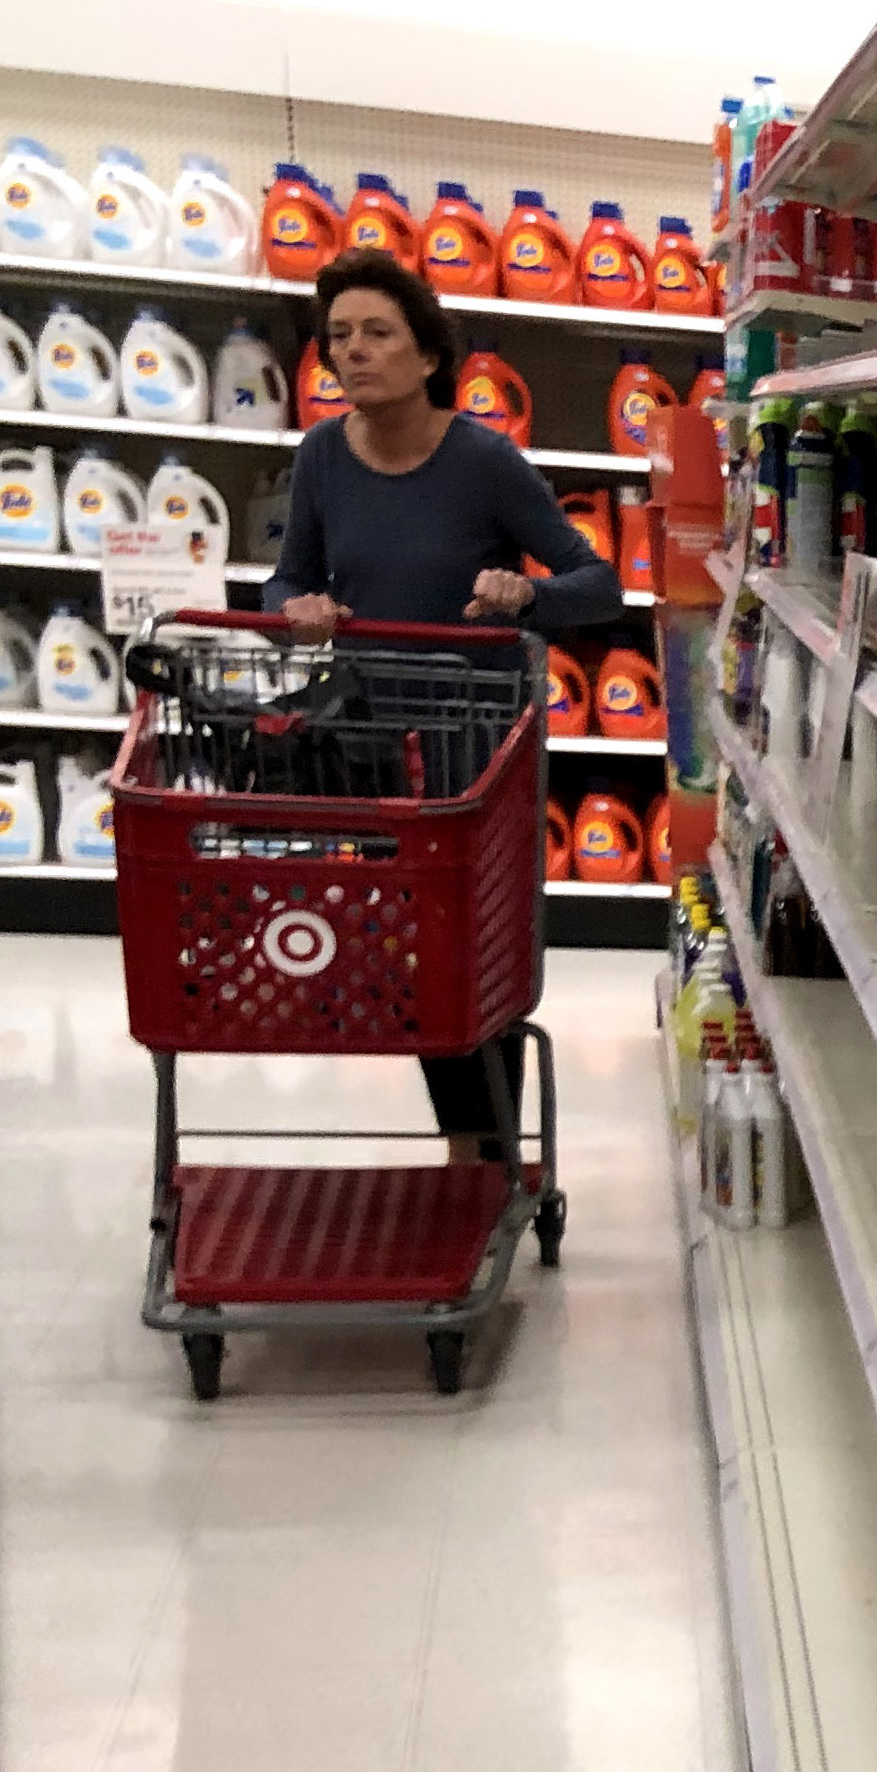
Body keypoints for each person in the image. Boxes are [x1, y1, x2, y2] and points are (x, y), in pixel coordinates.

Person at [263, 248, 622, 1157]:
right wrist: (293, 611)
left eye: (377, 332)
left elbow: (600, 584)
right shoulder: (319, 458)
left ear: (428, 355)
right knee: (410, 953)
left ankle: (489, 1158)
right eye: (337, 335)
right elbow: (285, 582)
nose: (352, 352)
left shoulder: (484, 461)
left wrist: (527, 595)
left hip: (476, 751)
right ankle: (471, 1152)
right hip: (373, 745)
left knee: (479, 949)